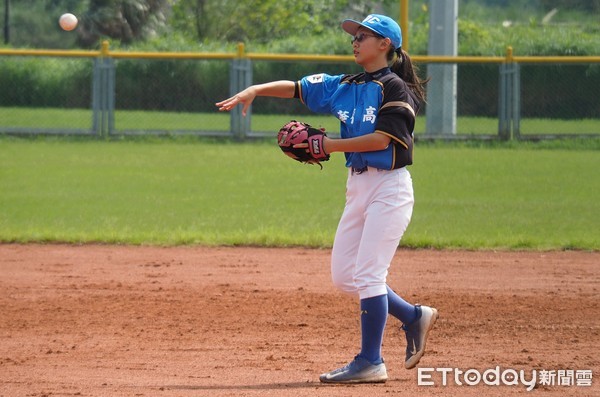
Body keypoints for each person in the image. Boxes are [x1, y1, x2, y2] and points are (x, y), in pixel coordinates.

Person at [216, 14, 438, 384]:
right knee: (345, 276)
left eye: (363, 36)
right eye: (354, 35)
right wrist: (255, 89)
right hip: (358, 186)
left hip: (390, 188)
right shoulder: (345, 84)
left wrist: (329, 145)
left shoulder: (394, 88)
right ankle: (413, 317)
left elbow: (382, 140)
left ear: (385, 45)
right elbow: (300, 88)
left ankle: (371, 361)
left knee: (368, 273)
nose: (355, 41)